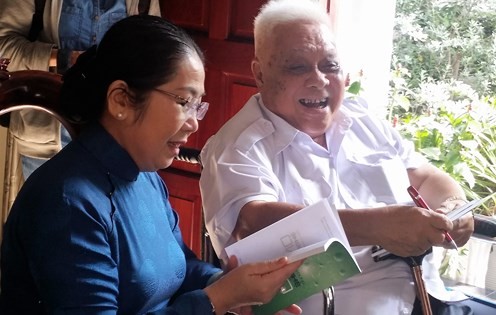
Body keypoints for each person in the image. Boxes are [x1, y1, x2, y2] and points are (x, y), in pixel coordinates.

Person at [0, 15, 303, 315]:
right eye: (184, 102)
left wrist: (226, 284)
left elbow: (180, 267)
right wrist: (216, 299)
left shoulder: (145, 176)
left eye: (198, 105)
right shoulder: (66, 203)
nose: (195, 123)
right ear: (121, 100)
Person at [200, 0, 475, 314]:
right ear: (260, 74)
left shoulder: (361, 118)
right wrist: (375, 227)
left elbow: (424, 175)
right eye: (297, 66)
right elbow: (252, 224)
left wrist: (455, 205)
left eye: (330, 65)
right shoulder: (237, 145)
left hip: (430, 298)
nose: (319, 80)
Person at [0, 0, 160, 183]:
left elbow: (155, 57)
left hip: (117, 145)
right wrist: (64, 60)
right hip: (48, 148)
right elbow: (3, 49)